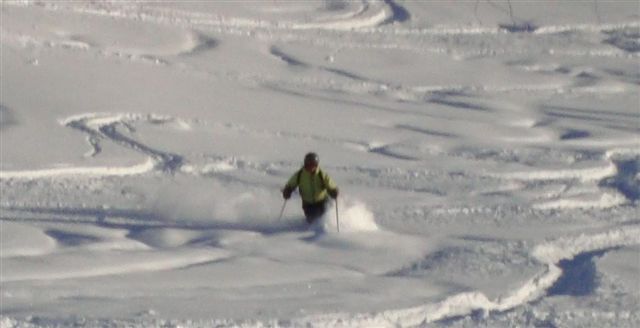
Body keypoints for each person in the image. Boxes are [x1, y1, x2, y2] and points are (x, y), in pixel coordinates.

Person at [282, 152, 339, 224]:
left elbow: (330, 183)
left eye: (313, 165)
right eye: (308, 165)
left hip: (322, 201)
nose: (310, 167)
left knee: (323, 219)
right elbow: (291, 183)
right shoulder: (300, 174)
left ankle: (324, 231)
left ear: (316, 165)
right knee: (312, 221)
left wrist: (333, 190)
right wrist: (288, 190)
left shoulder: (321, 175)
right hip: (307, 203)